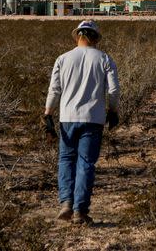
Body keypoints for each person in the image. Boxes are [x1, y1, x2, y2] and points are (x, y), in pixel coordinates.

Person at [43, 19, 120, 225]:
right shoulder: (104, 59)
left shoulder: (63, 59)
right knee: (86, 163)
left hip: (67, 117)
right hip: (93, 119)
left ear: (78, 35)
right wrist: (113, 111)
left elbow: (54, 90)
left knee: (66, 160)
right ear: (95, 37)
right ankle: (80, 210)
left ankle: (66, 203)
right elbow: (113, 90)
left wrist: (48, 113)